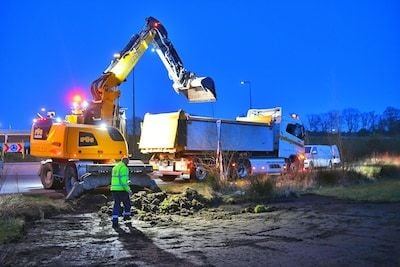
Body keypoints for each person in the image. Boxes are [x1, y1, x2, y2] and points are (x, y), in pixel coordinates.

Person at [110, 156, 132, 228]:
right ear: (126, 162)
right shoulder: (124, 168)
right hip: (121, 189)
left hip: (114, 189)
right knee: (127, 203)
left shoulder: (115, 167)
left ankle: (115, 220)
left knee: (116, 204)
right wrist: (128, 190)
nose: (128, 164)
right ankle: (126, 217)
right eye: (128, 162)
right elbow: (123, 181)